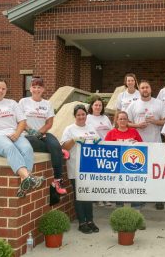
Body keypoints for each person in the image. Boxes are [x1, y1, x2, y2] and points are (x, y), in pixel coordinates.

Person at [0, 79, 44, 198]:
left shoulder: (11, 103)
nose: (0, 91)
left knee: (27, 149)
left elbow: (22, 121)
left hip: (14, 133)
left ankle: (24, 183)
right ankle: (28, 177)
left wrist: (17, 134)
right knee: (9, 147)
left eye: (3, 89)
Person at [18, 77, 67, 195]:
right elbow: (19, 120)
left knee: (54, 143)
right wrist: (31, 132)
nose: (36, 89)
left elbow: (49, 123)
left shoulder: (47, 104)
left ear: (43, 89)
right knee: (55, 149)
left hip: (43, 134)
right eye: (34, 87)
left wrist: (39, 133)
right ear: (30, 89)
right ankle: (59, 151)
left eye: (39, 87)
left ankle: (57, 180)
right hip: (27, 135)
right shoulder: (23, 102)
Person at [126, 80, 165, 210]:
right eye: (142, 87)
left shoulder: (159, 103)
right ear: (139, 89)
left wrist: (155, 121)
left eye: (147, 87)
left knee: (156, 172)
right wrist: (137, 125)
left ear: (150, 89)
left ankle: (158, 198)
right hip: (138, 144)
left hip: (155, 143)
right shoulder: (133, 105)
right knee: (140, 173)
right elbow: (125, 122)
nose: (145, 89)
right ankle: (141, 198)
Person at [61, 104, 101, 234]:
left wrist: (97, 140)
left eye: (83, 114)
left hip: (89, 168)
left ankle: (90, 220)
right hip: (75, 167)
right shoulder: (69, 129)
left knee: (88, 194)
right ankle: (82, 222)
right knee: (79, 195)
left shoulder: (91, 128)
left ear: (86, 115)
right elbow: (65, 147)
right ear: (75, 116)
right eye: (78, 115)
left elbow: (99, 143)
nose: (81, 117)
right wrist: (74, 140)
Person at [105, 111, 145, 228]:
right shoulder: (111, 133)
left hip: (132, 167)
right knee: (119, 192)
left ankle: (137, 219)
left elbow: (143, 146)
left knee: (134, 190)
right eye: (120, 119)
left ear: (128, 121)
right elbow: (105, 150)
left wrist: (137, 143)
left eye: (125, 119)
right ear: (116, 121)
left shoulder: (133, 131)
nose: (122, 121)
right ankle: (119, 218)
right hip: (117, 168)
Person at [86, 96, 113, 207]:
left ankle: (106, 198)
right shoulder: (87, 118)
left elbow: (111, 132)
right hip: (95, 150)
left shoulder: (105, 118)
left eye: (100, 105)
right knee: (97, 176)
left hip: (107, 150)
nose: (98, 107)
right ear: (91, 106)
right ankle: (97, 198)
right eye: (96, 105)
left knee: (106, 176)